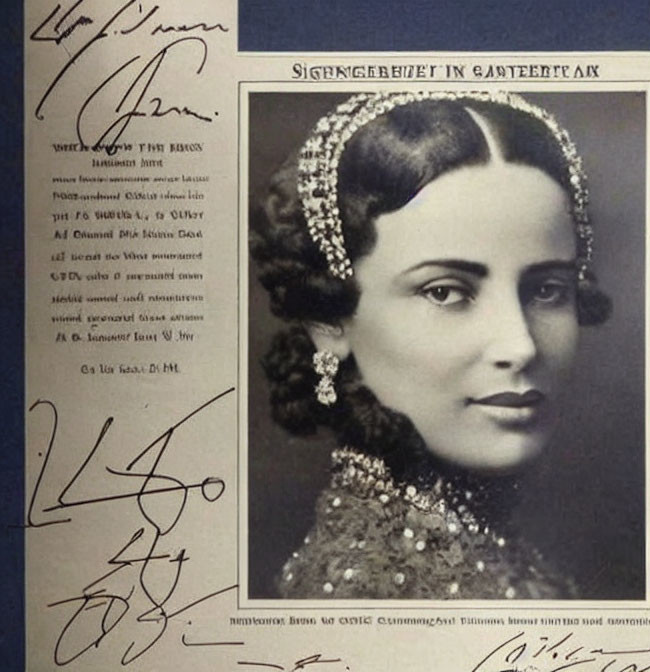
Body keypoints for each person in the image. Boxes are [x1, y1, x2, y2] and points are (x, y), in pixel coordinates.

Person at [250, 91, 612, 599]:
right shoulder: (370, 595)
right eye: (445, 292)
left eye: (546, 289)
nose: (520, 345)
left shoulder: (468, 551)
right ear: (330, 318)